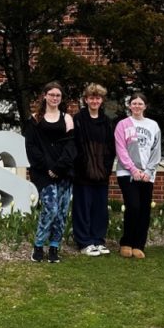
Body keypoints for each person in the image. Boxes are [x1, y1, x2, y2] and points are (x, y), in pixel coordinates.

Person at [23, 82, 76, 263]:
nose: (55, 98)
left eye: (58, 96)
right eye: (52, 94)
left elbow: (71, 146)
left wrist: (59, 168)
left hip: (63, 171)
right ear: (44, 96)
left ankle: (54, 247)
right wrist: (49, 168)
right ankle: (38, 245)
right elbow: (31, 148)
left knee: (61, 212)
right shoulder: (34, 120)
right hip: (43, 173)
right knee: (50, 208)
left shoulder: (67, 118)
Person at [114, 92, 161, 259]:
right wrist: (133, 170)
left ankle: (139, 244)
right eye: (134, 103)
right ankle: (126, 242)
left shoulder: (153, 125)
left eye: (140, 104)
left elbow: (156, 150)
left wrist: (148, 171)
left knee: (144, 209)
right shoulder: (123, 124)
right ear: (129, 106)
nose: (137, 106)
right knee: (133, 206)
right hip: (126, 172)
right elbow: (120, 150)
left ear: (145, 106)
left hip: (147, 175)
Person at [72, 83, 115, 257]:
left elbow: (111, 148)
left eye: (97, 98)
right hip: (83, 173)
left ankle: (98, 240)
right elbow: (75, 146)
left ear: (101, 100)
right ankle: (84, 242)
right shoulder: (78, 119)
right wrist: (81, 166)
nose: (94, 101)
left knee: (100, 208)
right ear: (86, 99)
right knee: (82, 207)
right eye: (91, 98)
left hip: (102, 173)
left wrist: (105, 168)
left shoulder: (107, 122)